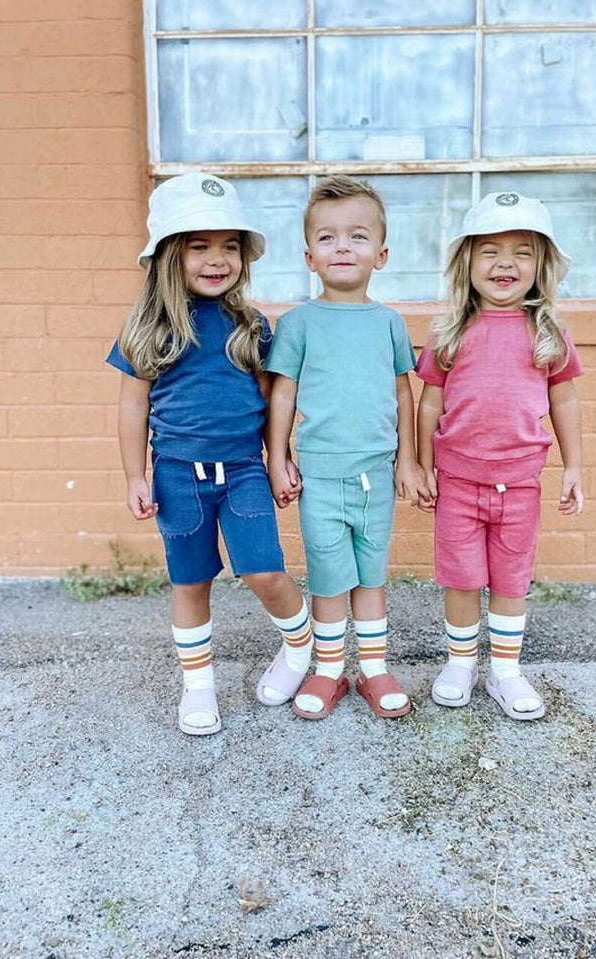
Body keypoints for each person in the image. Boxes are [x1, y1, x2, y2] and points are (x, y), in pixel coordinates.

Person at [106, 172, 313, 736]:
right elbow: (132, 408)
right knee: (190, 582)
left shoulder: (251, 326)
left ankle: (301, 649)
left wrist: (280, 458)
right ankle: (198, 687)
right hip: (176, 475)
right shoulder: (147, 329)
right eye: (199, 246)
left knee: (265, 571)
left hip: (244, 470)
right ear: (171, 254)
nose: (217, 259)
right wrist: (134, 475)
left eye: (229, 246)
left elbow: (273, 403)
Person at [416, 191, 584, 720]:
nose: (505, 263)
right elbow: (429, 403)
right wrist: (421, 464)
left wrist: (575, 466)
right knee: (462, 578)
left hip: (522, 485)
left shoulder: (548, 333)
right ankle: (461, 663)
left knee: (511, 579)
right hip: (458, 484)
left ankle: (505, 672)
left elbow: (564, 399)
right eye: (489, 250)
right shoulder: (450, 332)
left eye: (522, 252)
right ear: (466, 262)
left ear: (542, 265)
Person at [266, 176, 427, 720]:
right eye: (328, 238)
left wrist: (408, 459)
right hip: (319, 476)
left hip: (376, 473)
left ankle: (374, 669)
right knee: (330, 575)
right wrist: (277, 456)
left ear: (380, 254)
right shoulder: (297, 324)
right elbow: (282, 395)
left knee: (372, 573)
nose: (342, 247)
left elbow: (403, 391)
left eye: (357, 237)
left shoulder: (388, 322)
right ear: (309, 256)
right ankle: (330, 670)